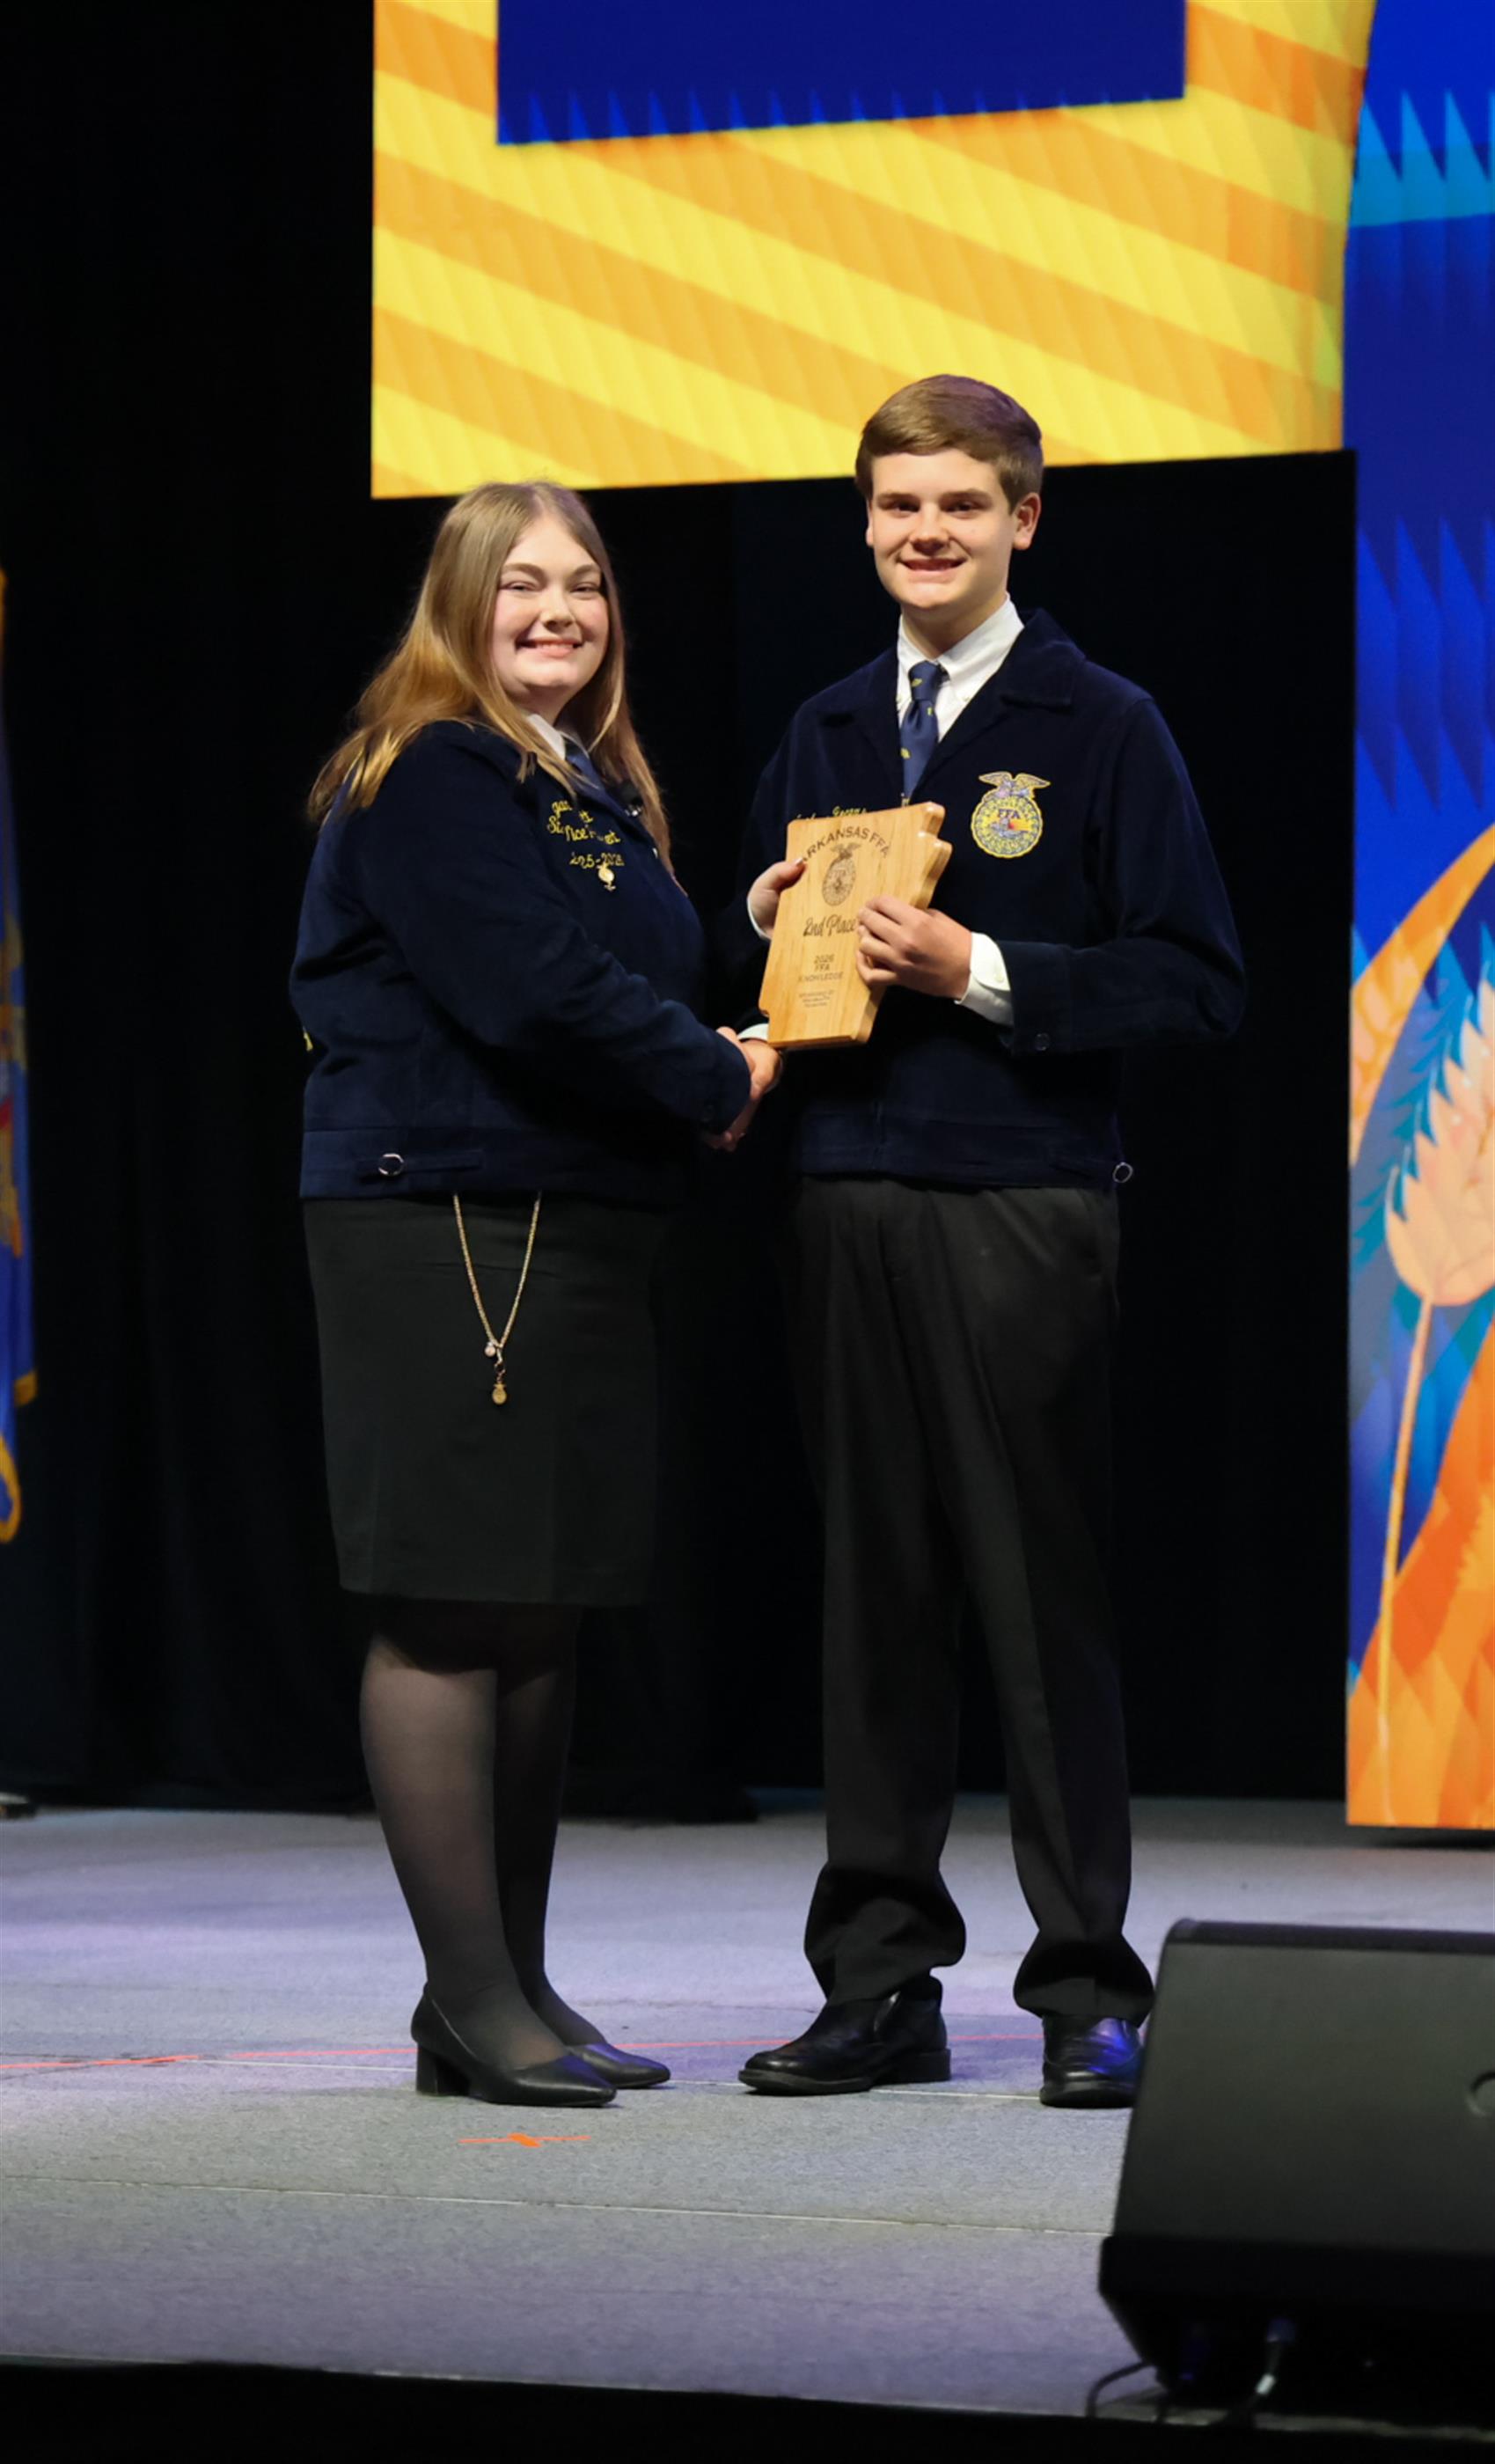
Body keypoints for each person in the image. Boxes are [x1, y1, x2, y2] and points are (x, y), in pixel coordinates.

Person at [731, 376, 1244, 2105]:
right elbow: (763, 976)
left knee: (1038, 1602)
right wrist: (757, 925)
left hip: (1021, 1200)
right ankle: (879, 1983)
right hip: (843, 1192)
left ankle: (1088, 1986)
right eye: (897, 505)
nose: (925, 532)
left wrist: (983, 971)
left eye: (960, 503)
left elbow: (1196, 979)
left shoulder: (1100, 722)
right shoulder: (822, 726)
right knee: (870, 1599)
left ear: (1025, 518)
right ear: (865, 523)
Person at [293, 481, 778, 2109]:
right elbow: (526, 986)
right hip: (439, 1213)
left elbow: (618, 967)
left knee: (539, 1603)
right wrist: (712, 1070)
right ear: (459, 603)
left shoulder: (583, 781)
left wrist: (741, 942)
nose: (559, 610)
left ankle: (516, 1985)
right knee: (448, 1600)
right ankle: (469, 1996)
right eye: (522, 584)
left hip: (571, 1219)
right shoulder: (434, 768)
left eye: (584, 584)